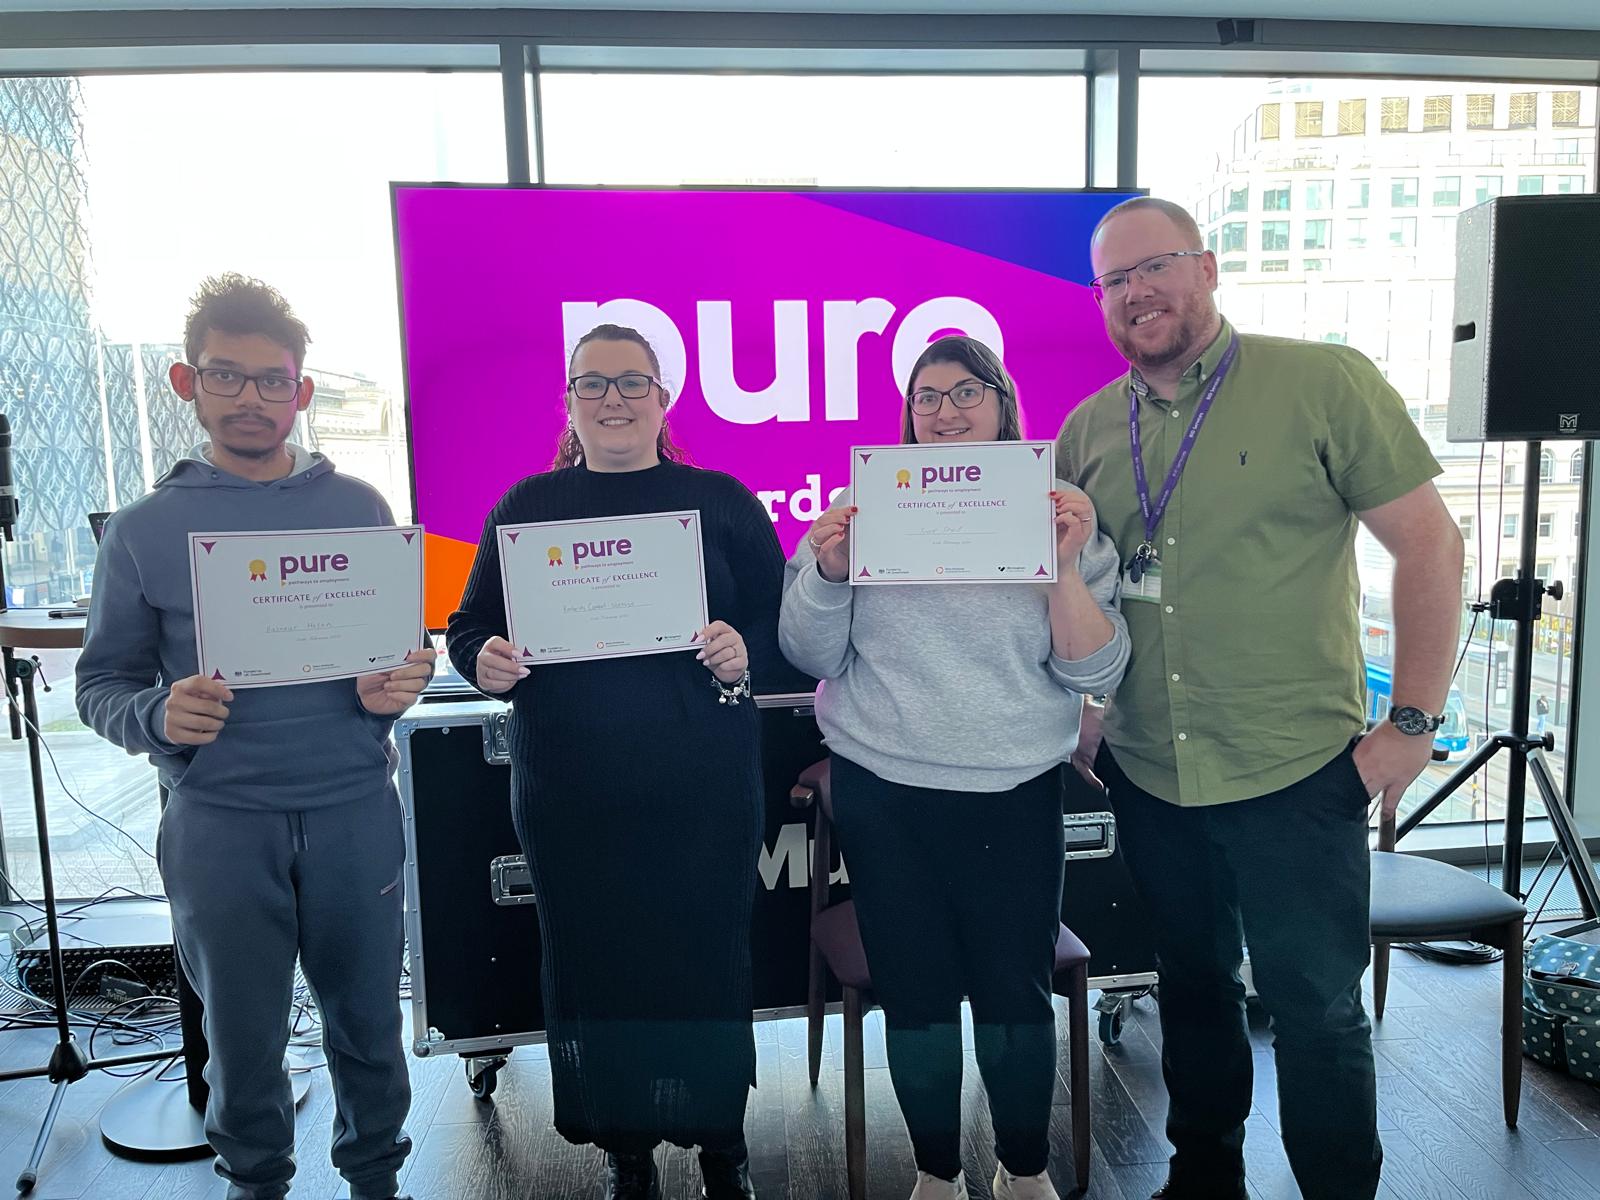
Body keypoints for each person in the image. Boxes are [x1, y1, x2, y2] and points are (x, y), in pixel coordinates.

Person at [1058, 197, 1464, 1200]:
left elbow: (1428, 543)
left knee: (1317, 1008)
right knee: (1192, 989)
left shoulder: (1320, 382)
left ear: (1204, 267)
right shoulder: (1083, 432)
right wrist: (1089, 723)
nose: (1136, 293)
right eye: (1115, 280)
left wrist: (1408, 725)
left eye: (1154, 267)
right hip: (1153, 771)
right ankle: (1206, 1178)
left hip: (1297, 768)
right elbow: (1083, 590)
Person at [76, 274, 435, 1200]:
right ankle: (256, 1185)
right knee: (243, 1040)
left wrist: (403, 681)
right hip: (221, 823)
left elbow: (399, 660)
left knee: (366, 1026)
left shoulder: (358, 508)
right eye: (224, 376)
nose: (249, 398)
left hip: (354, 808)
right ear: (185, 384)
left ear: (301, 393)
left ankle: (376, 1182)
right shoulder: (145, 530)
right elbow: (100, 684)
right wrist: (155, 716)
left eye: (271, 380)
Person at [780, 336, 1130, 1200]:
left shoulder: (1062, 510)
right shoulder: (863, 507)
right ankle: (936, 1173)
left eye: (966, 392)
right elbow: (807, 652)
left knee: (1015, 994)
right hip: (883, 788)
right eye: (926, 397)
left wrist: (1060, 567)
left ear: (1004, 402)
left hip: (1010, 789)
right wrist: (826, 570)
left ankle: (1023, 1170)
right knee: (916, 992)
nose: (944, 412)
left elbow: (1096, 672)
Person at [446, 323, 782, 1200]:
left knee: (705, 958)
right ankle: (623, 1150)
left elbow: (788, 628)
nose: (614, 400)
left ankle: (721, 1143)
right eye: (592, 384)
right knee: (594, 963)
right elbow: (469, 626)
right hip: (571, 790)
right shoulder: (524, 509)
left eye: (632, 383)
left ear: (664, 399)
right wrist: (481, 660)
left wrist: (746, 650)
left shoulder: (721, 499)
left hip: (701, 786)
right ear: (568, 402)